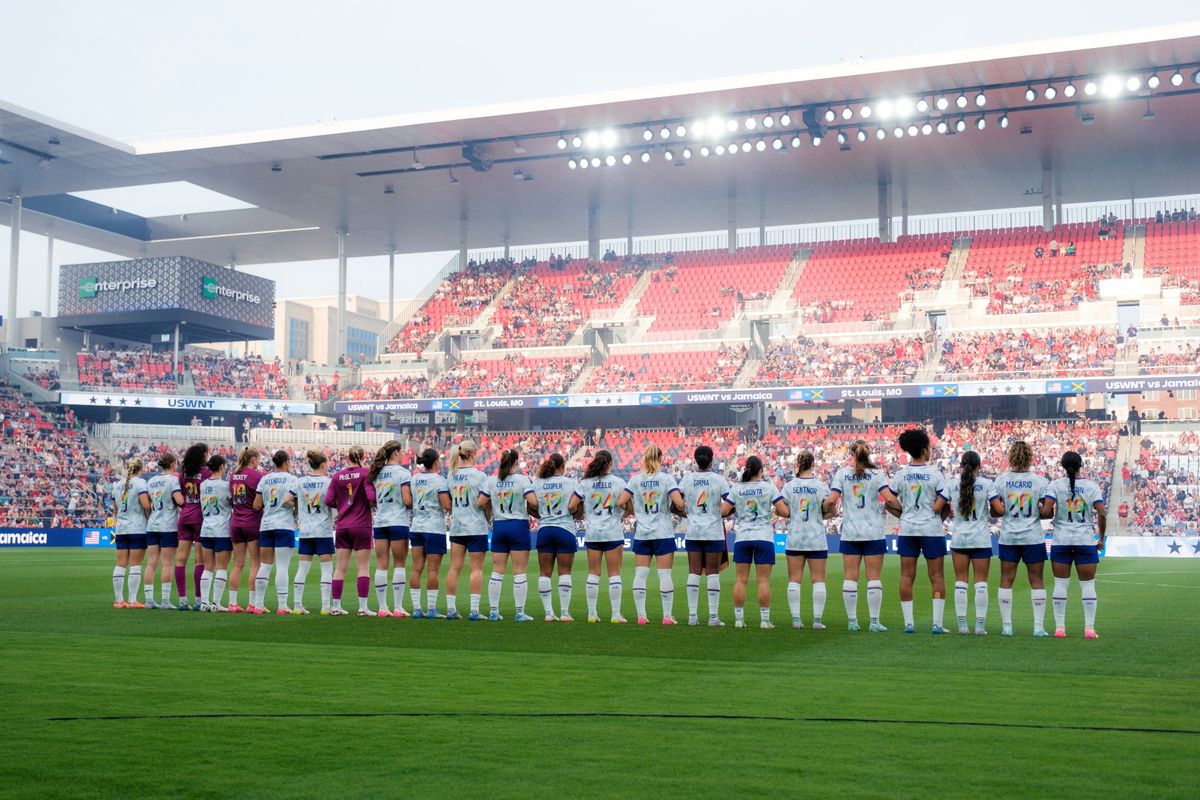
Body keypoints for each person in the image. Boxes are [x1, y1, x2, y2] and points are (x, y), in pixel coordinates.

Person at [883, 428, 948, 634]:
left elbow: (889, 500)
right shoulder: (935, 474)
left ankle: (909, 623)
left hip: (908, 529)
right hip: (931, 529)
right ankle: (937, 624)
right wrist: (938, 517)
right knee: (937, 576)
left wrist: (903, 513)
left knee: (906, 576)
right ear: (924, 450)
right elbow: (946, 503)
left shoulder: (901, 474)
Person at [824, 440, 890, 632]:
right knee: (874, 577)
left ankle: (852, 621)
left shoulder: (842, 474)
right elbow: (890, 498)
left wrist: (819, 508)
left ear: (851, 455)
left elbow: (832, 500)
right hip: (873, 532)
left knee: (850, 577)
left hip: (851, 532)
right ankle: (874, 622)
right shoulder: (877, 474)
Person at [1040, 452, 1107, 639]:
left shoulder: (1055, 485)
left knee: (1060, 585)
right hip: (1085, 540)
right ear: (1081, 465)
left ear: (1062, 466)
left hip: (1061, 540)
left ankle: (1060, 628)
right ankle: (1089, 629)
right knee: (1088, 585)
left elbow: (1046, 511)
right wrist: (1100, 537)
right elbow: (1101, 513)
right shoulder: (1091, 486)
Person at [990, 441, 1050, 637]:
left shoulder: (1001, 481)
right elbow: (1046, 513)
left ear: (1011, 457)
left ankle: (1007, 626)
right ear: (1030, 457)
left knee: (1006, 580)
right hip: (1033, 537)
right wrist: (1035, 513)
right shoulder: (1039, 481)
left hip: (1009, 537)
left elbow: (995, 511)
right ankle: (1038, 627)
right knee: (1037, 581)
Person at [619, 445, 683, 625]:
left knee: (640, 574)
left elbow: (621, 501)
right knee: (665, 575)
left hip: (643, 532)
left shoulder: (635, 480)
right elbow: (679, 503)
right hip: (663, 532)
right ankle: (667, 616)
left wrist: (633, 510)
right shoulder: (667, 479)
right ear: (660, 459)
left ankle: (641, 615)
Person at [721, 455, 786, 629]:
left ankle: (739, 620)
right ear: (760, 470)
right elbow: (784, 511)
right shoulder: (769, 487)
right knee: (763, 581)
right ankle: (764, 621)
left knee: (741, 580)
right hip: (764, 536)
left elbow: (724, 511)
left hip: (743, 537)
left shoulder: (737, 488)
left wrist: (739, 509)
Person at [933, 451, 992, 635]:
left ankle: (962, 626)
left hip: (960, 538)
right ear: (978, 467)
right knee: (981, 583)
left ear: (961, 466)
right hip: (981, 538)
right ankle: (980, 626)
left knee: (961, 581)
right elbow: (998, 508)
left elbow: (936, 506)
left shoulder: (952, 484)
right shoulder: (986, 484)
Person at [570, 450, 630, 624]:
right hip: (612, 531)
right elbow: (627, 506)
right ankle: (616, 614)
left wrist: (582, 512)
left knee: (593, 573)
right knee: (614, 573)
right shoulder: (618, 482)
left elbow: (572, 505)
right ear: (610, 463)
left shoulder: (585, 483)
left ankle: (591, 614)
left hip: (593, 532)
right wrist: (621, 515)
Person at [679, 445, 731, 627]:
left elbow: (675, 505)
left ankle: (693, 616)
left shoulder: (687, 479)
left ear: (695, 460)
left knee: (693, 572)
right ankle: (713, 617)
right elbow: (731, 503)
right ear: (712, 460)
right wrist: (720, 514)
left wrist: (689, 514)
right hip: (713, 532)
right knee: (712, 573)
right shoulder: (719, 480)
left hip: (693, 531)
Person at [323, 445, 377, 616]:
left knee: (339, 568)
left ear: (347, 458)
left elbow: (328, 500)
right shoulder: (365, 474)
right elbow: (371, 498)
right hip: (361, 525)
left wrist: (342, 506)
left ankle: (336, 606)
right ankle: (362, 607)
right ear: (362, 456)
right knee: (363, 568)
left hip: (343, 526)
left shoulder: (337, 476)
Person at [780, 452, 831, 630]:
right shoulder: (821, 486)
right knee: (818, 580)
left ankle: (796, 620)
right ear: (813, 465)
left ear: (798, 465)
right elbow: (831, 510)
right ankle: (817, 621)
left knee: (794, 579)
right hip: (816, 537)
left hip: (795, 536)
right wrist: (821, 514)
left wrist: (789, 513)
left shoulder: (789, 486)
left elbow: (780, 510)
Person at [489, 448, 538, 622]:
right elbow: (533, 501)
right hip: (517, 525)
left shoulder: (492, 480)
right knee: (519, 571)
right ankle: (519, 613)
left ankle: (494, 611)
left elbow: (481, 502)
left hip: (499, 525)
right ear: (516, 462)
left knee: (497, 571)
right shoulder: (521, 480)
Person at [445, 439, 492, 621]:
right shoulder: (480, 476)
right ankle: (474, 611)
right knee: (476, 569)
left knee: (454, 568)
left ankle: (451, 609)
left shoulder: (451, 476)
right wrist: (488, 518)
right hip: (476, 526)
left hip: (457, 527)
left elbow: (449, 504)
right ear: (472, 453)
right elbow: (483, 503)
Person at [286, 450, 335, 615]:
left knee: (302, 569)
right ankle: (325, 606)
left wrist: (298, 509)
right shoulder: (329, 482)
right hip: (323, 530)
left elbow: (287, 499)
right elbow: (334, 502)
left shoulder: (300, 482)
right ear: (323, 465)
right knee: (326, 569)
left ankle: (297, 605)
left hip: (305, 530)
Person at [532, 453, 578, 622]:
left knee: (545, 573)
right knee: (565, 571)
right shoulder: (570, 482)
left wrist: (543, 516)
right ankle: (565, 613)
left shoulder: (537, 483)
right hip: (564, 528)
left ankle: (549, 613)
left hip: (545, 528)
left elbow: (530, 506)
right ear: (562, 466)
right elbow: (576, 507)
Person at [370, 440, 413, 618]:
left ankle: (382, 607)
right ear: (395, 452)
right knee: (400, 564)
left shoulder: (377, 473)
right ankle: (398, 607)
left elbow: (372, 500)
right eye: (401, 451)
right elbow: (407, 500)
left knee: (381, 565)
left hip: (380, 522)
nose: (403, 454)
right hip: (398, 522)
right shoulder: (403, 473)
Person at [408, 448, 452, 618]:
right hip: (434, 528)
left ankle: (417, 609)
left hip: (417, 526)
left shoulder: (414, 479)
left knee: (416, 568)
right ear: (435, 462)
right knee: (433, 570)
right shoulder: (439, 481)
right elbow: (447, 505)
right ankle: (432, 609)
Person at [253, 451, 298, 615]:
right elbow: (294, 502)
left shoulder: (264, 479)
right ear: (286, 462)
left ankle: (258, 605)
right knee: (282, 567)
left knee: (264, 566)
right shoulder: (293, 479)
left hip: (266, 525)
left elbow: (256, 505)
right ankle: (282, 605)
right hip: (284, 525)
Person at [109, 458, 151, 608]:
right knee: (135, 565)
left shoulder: (117, 485)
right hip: (137, 528)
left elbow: (115, 510)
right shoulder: (140, 484)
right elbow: (146, 505)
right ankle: (133, 600)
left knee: (120, 564)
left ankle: (119, 600)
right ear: (141, 469)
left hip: (121, 528)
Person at [174, 443, 210, 611]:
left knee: (180, 559)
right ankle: (198, 599)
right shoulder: (206, 474)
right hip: (200, 518)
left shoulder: (184, 473)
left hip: (185, 516)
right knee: (199, 560)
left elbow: (180, 495)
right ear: (203, 455)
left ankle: (182, 600)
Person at [143, 453, 183, 610]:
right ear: (173, 464)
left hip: (152, 525)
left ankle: (149, 600)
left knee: (151, 563)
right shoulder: (173, 480)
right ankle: (165, 601)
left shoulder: (151, 480)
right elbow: (179, 501)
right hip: (168, 526)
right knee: (167, 563)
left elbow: (147, 504)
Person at [227, 447, 264, 614]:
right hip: (252, 522)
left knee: (237, 564)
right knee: (255, 563)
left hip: (236, 522)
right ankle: (252, 603)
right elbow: (258, 502)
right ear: (253, 459)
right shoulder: (257, 476)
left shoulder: (233, 476)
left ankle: (232, 603)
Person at [198, 455, 233, 612]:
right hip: (222, 530)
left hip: (206, 529)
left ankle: (204, 603)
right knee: (221, 567)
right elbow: (232, 503)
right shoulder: (225, 486)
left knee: (208, 567)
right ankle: (216, 603)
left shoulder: (203, 485)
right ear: (222, 467)